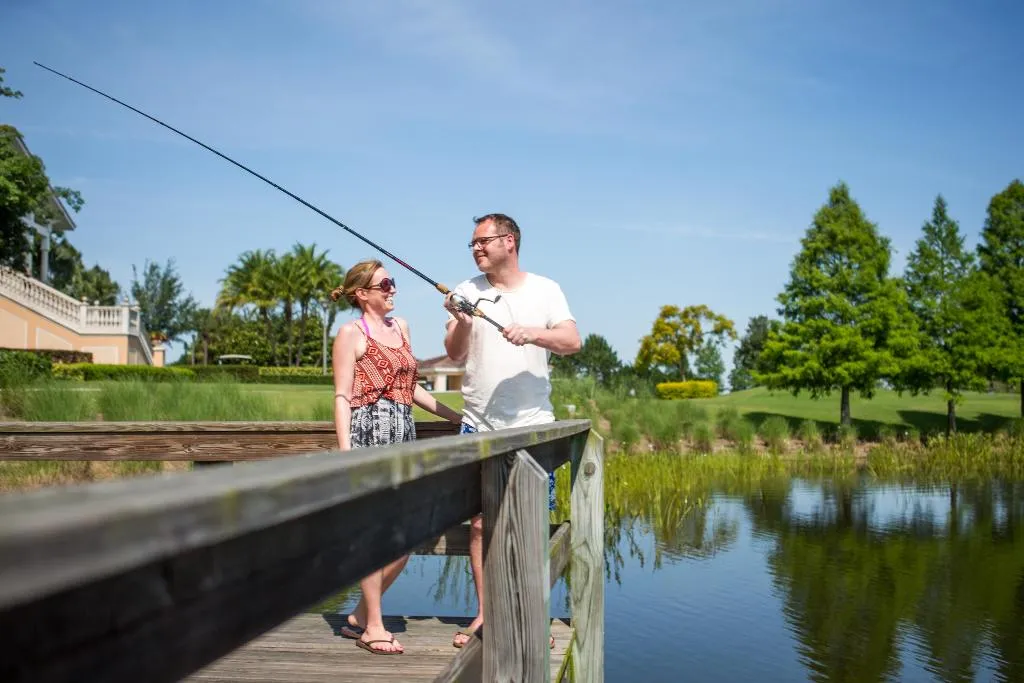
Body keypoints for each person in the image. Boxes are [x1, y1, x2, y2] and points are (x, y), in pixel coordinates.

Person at [442, 213, 581, 648]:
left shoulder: (546, 289)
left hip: (532, 428)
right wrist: (462, 321)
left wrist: (533, 334)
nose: (476, 249)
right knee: (481, 526)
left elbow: (572, 341)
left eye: (482, 241)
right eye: (472, 244)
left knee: (531, 526)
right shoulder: (466, 291)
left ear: (510, 241)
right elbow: (454, 353)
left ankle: (530, 615)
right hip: (478, 425)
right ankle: (486, 615)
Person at [331, 258, 463, 655]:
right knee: (374, 534)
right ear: (363, 294)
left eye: (393, 283)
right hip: (368, 437)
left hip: (403, 437)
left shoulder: (401, 328)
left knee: (406, 539)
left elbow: (412, 390)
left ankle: (357, 616)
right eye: (385, 284)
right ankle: (373, 625)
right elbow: (341, 396)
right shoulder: (350, 333)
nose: (393, 290)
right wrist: (345, 454)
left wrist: (457, 416)